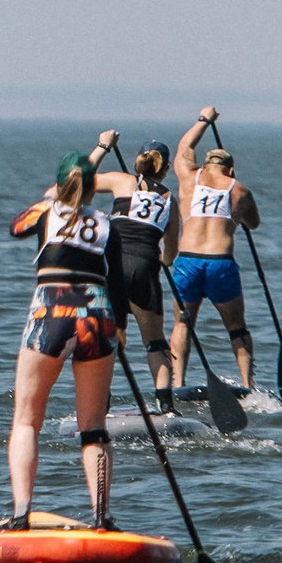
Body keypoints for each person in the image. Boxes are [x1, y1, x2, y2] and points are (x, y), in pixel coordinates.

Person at [4, 146, 124, 530]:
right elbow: (118, 284)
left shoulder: (43, 212)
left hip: (50, 315)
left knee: (26, 420)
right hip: (98, 316)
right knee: (94, 426)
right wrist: (118, 333)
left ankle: (22, 514)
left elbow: (16, 226)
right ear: (93, 191)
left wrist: (51, 197)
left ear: (59, 184)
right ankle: (102, 518)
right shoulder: (107, 224)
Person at [169, 107, 261, 389]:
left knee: (183, 323)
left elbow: (185, 147)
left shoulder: (188, 178)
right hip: (221, 262)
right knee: (237, 327)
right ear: (230, 169)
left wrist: (204, 119)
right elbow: (254, 224)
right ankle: (247, 385)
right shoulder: (240, 190)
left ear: (204, 165)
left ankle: (177, 383)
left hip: (188, 261)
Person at [93, 135, 182, 410]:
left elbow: (80, 178)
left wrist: (103, 147)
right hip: (144, 268)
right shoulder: (169, 200)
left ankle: (100, 405)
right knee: (155, 343)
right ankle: (166, 406)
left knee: (111, 339)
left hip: (111, 266)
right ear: (165, 169)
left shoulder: (122, 181)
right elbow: (170, 255)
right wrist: (162, 259)